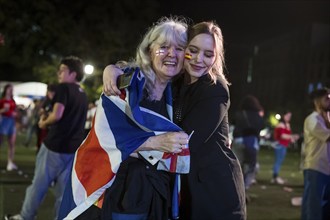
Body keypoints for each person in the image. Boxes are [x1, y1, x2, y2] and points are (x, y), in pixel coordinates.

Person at [103, 21, 246, 220]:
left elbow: (184, 144)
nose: (198, 60)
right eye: (192, 50)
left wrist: (129, 145)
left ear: (216, 57)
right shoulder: (175, 81)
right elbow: (145, 71)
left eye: (208, 54)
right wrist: (113, 70)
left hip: (213, 189)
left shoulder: (215, 89)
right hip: (182, 185)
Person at [58, 17, 190, 220]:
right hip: (115, 188)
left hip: (155, 190)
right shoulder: (126, 82)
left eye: (179, 48)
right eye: (163, 47)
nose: (172, 53)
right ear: (149, 51)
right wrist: (155, 143)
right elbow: (104, 134)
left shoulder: (179, 93)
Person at [5, 56, 88, 220]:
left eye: (63, 69)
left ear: (73, 74)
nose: (59, 72)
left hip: (55, 146)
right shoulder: (83, 94)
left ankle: (25, 216)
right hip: (72, 149)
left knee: (38, 185)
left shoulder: (63, 88)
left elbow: (57, 115)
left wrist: (43, 122)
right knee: (64, 191)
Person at [301, 87, 330, 220]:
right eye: (327, 98)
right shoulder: (313, 119)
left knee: (323, 206)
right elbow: (327, 136)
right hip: (315, 166)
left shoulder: (325, 120)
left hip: (325, 168)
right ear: (318, 101)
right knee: (313, 205)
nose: (329, 101)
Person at [232, 95, 265, 190]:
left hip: (238, 141)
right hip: (252, 142)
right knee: (251, 165)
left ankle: (235, 184)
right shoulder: (258, 116)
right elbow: (262, 126)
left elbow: (233, 123)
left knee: (237, 164)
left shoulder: (239, 114)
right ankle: (245, 186)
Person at [271, 110, 299, 184]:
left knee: (279, 161)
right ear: (284, 116)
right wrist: (292, 136)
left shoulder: (287, 124)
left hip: (284, 145)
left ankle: (276, 177)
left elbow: (287, 136)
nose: (289, 118)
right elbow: (282, 136)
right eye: (288, 116)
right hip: (279, 145)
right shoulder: (281, 124)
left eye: (290, 116)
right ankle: (275, 177)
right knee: (278, 161)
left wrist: (292, 139)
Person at [0, 84, 18, 171]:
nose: (10, 91)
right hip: (3, 122)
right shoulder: (2, 100)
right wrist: (3, 110)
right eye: (9, 89)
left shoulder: (13, 101)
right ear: (6, 90)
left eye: (12, 89)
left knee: (11, 143)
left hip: (11, 122)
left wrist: (15, 114)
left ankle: (10, 162)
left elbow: (15, 111)